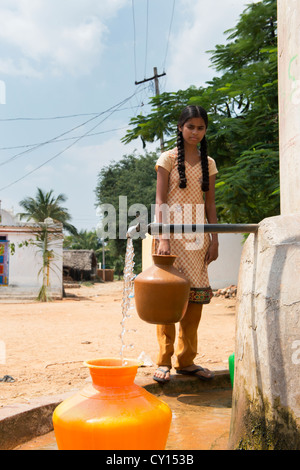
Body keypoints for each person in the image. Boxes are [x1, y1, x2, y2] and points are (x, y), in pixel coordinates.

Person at [153, 105, 219, 383]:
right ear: (180, 127)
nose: (195, 132)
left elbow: (210, 204)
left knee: (195, 301)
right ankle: (164, 361)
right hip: (170, 239)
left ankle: (186, 360)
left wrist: (215, 239)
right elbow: (160, 201)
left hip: (197, 239)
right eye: (190, 126)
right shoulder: (166, 160)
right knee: (167, 301)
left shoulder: (210, 163)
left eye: (200, 127)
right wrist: (164, 238)